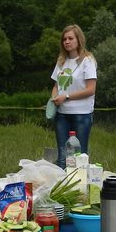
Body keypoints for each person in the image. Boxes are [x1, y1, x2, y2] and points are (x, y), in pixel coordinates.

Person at [50, 24, 97, 167]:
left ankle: (79, 181)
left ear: (79, 40)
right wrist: (54, 98)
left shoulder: (87, 60)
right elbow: (56, 86)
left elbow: (91, 90)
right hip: (62, 114)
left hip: (81, 114)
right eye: (64, 39)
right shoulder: (61, 61)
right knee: (62, 156)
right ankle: (62, 181)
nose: (67, 42)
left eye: (70, 38)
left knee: (79, 157)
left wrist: (66, 97)